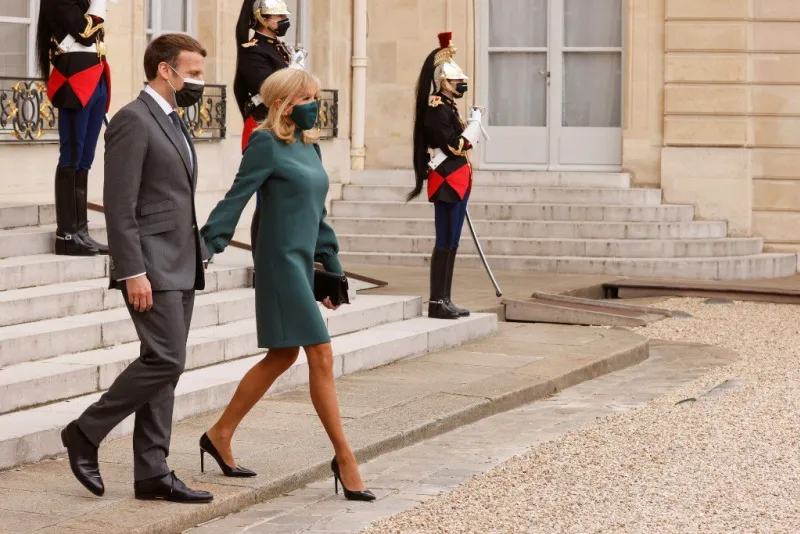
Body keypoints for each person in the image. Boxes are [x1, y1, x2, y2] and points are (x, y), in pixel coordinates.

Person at [198, 68, 374, 502]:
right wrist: (207, 245)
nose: (316, 104)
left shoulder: (308, 148)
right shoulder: (265, 143)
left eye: (317, 95)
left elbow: (318, 216)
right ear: (284, 103)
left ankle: (219, 433)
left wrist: (333, 269)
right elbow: (237, 197)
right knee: (322, 353)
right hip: (278, 261)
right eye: (309, 97)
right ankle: (345, 457)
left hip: (302, 258)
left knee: (282, 355)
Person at [60, 34, 213, 504]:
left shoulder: (172, 120)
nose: (199, 82)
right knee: (165, 360)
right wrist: (132, 271)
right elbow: (119, 205)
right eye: (193, 72)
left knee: (167, 369)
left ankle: (152, 472)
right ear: (165, 70)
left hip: (182, 261)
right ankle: (85, 431)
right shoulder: (132, 119)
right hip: (150, 264)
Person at [409, 32, 486, 320]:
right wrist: (474, 128)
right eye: (456, 81)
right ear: (444, 82)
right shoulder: (436, 108)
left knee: (453, 241)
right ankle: (437, 302)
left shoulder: (448, 106)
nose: (461, 85)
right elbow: (454, 146)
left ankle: (446, 298)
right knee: (444, 240)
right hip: (446, 180)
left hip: (457, 180)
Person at [36, 0, 111, 256]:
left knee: (86, 159)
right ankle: (67, 235)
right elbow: (84, 33)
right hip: (74, 79)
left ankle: (81, 232)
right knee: (73, 155)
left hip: (96, 75)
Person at [234, 0, 302, 254]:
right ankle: (261, 257)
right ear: (263, 19)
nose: (284, 20)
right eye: (278, 17)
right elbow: (267, 87)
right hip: (264, 125)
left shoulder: (280, 49)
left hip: (283, 125)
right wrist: (293, 71)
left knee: (283, 197)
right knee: (266, 199)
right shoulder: (253, 50)